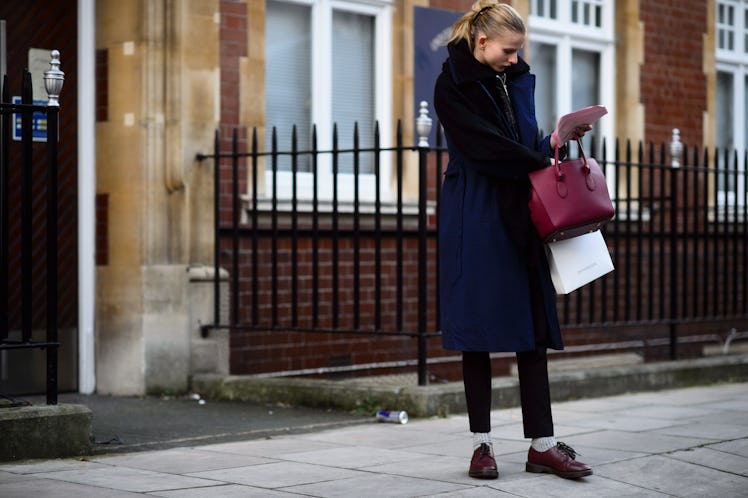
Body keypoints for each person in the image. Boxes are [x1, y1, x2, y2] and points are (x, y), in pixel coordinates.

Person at [433, 0, 593, 480]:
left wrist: (552, 142)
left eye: (518, 50)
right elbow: (483, 147)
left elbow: (519, 141)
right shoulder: (450, 84)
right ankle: (481, 446)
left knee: (532, 327)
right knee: (476, 330)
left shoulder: (513, 76)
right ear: (482, 42)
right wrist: (537, 159)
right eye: (508, 49)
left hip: (520, 209)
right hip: (476, 211)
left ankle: (542, 444)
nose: (514, 58)